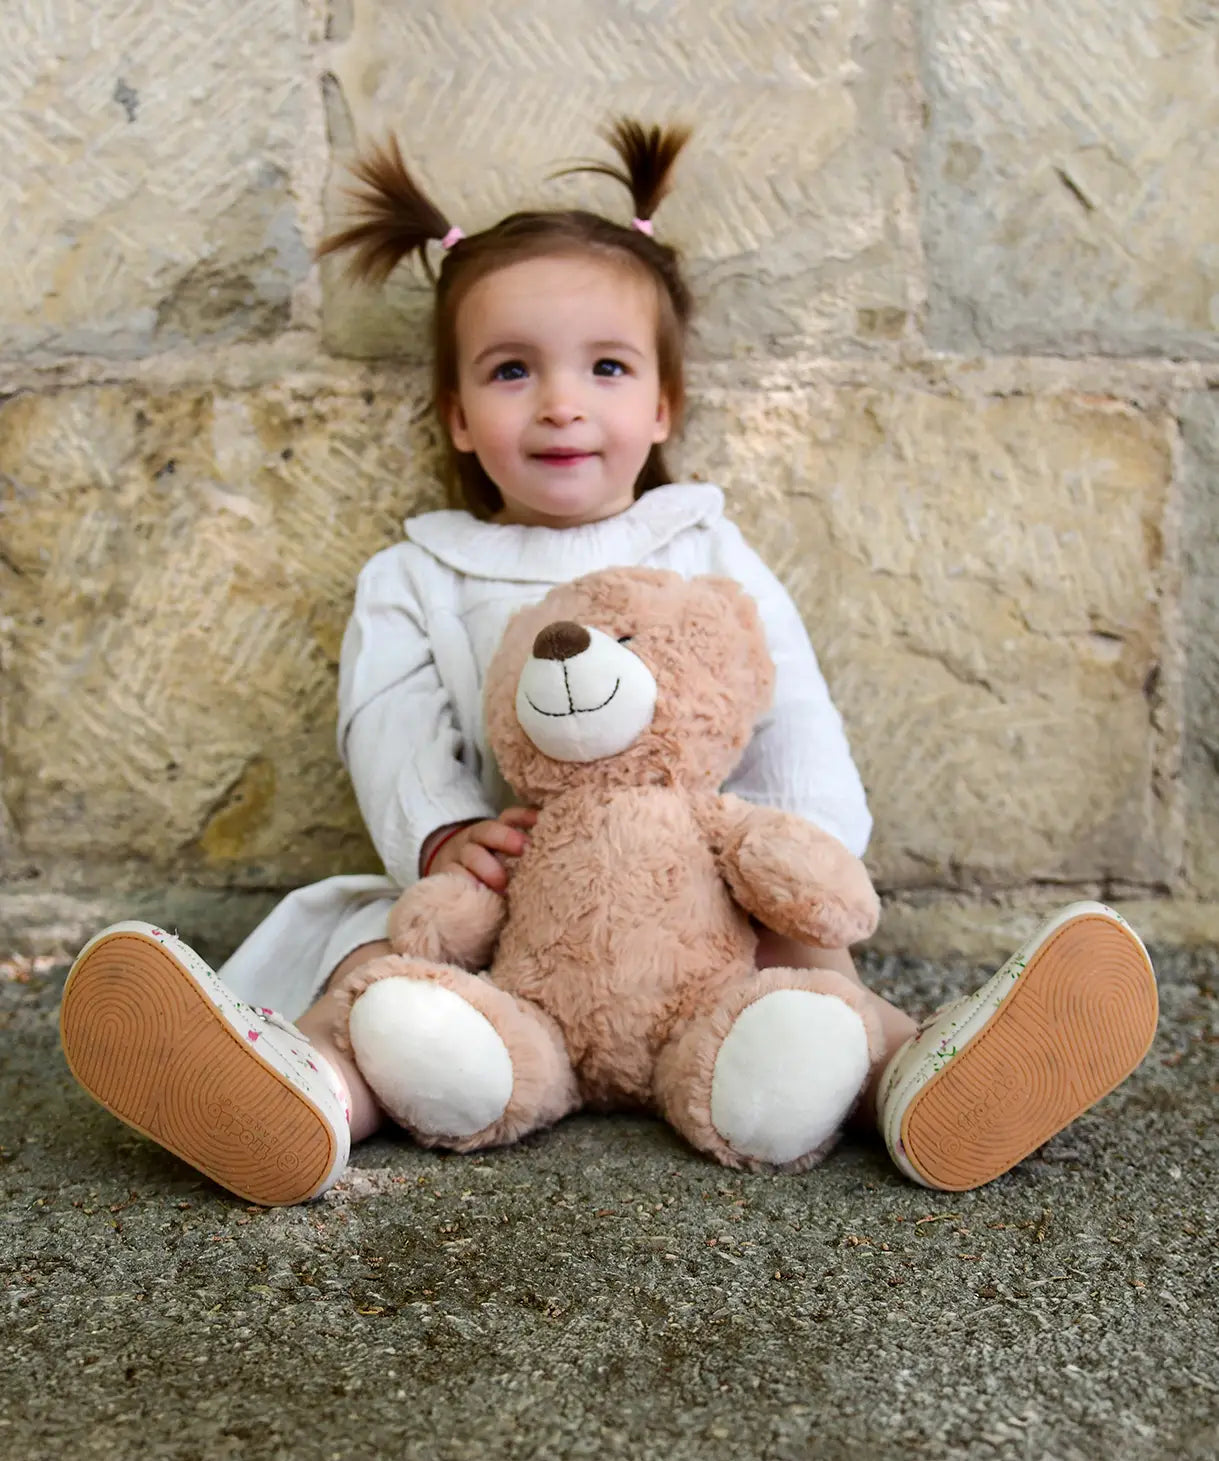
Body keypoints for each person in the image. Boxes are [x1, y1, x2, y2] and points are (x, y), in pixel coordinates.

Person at [58, 120, 1159, 1207]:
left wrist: (805, 849)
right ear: (454, 414)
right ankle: (303, 1092)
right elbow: (384, 720)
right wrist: (446, 833)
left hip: (703, 912)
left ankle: (921, 1082)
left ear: (662, 403)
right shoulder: (417, 572)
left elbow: (786, 702)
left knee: (810, 975)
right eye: (510, 370)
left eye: (606, 365)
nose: (561, 402)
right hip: (504, 905)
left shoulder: (700, 546)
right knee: (377, 975)